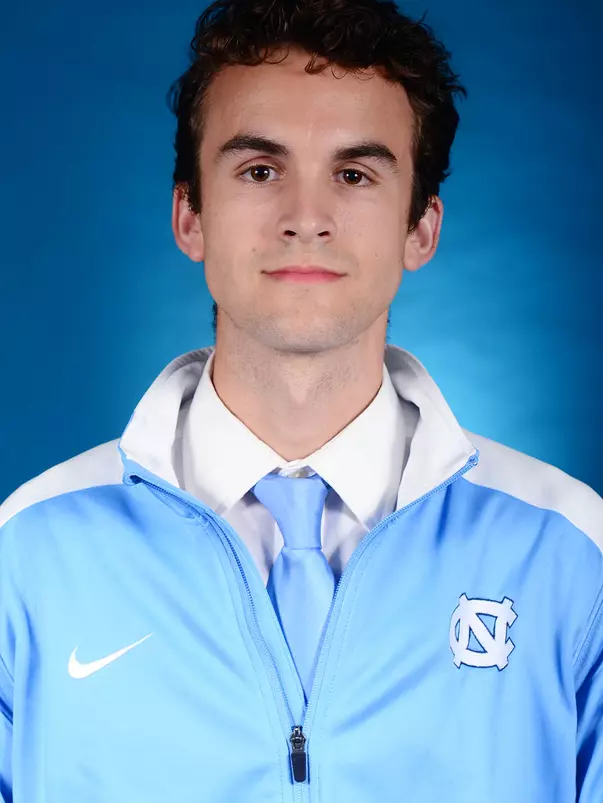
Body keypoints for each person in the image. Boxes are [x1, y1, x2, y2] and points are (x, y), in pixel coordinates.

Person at [1, 0, 602, 800]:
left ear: (419, 227)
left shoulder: (569, 553)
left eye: (353, 175)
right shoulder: (28, 557)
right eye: (259, 170)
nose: (305, 218)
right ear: (190, 215)